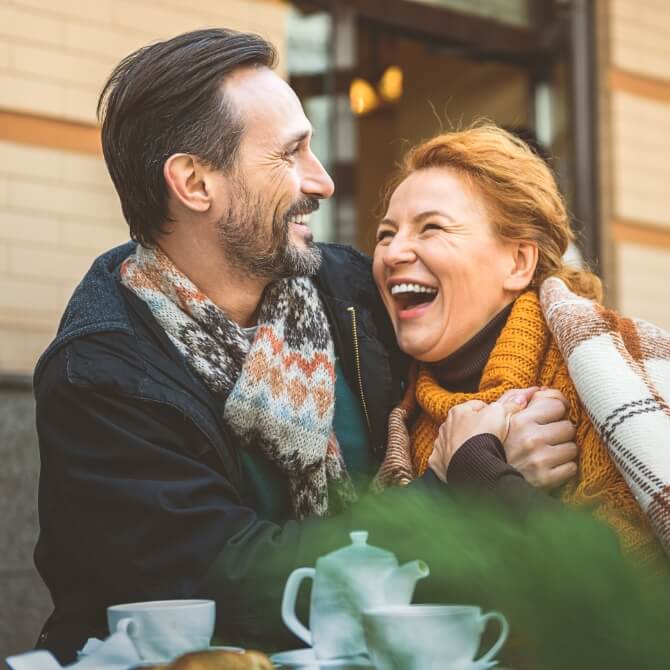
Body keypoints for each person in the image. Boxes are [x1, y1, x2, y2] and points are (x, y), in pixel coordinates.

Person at [33, 30, 576, 663]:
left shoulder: (349, 291)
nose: (320, 181)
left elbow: (483, 325)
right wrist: (452, 492)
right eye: (290, 155)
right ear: (194, 183)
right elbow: (234, 584)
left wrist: (536, 402)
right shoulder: (101, 375)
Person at [373, 123, 669, 565]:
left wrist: (479, 471)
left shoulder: (613, 377)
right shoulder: (394, 407)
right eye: (385, 234)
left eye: (431, 228)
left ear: (517, 262)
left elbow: (635, 596)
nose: (393, 253)